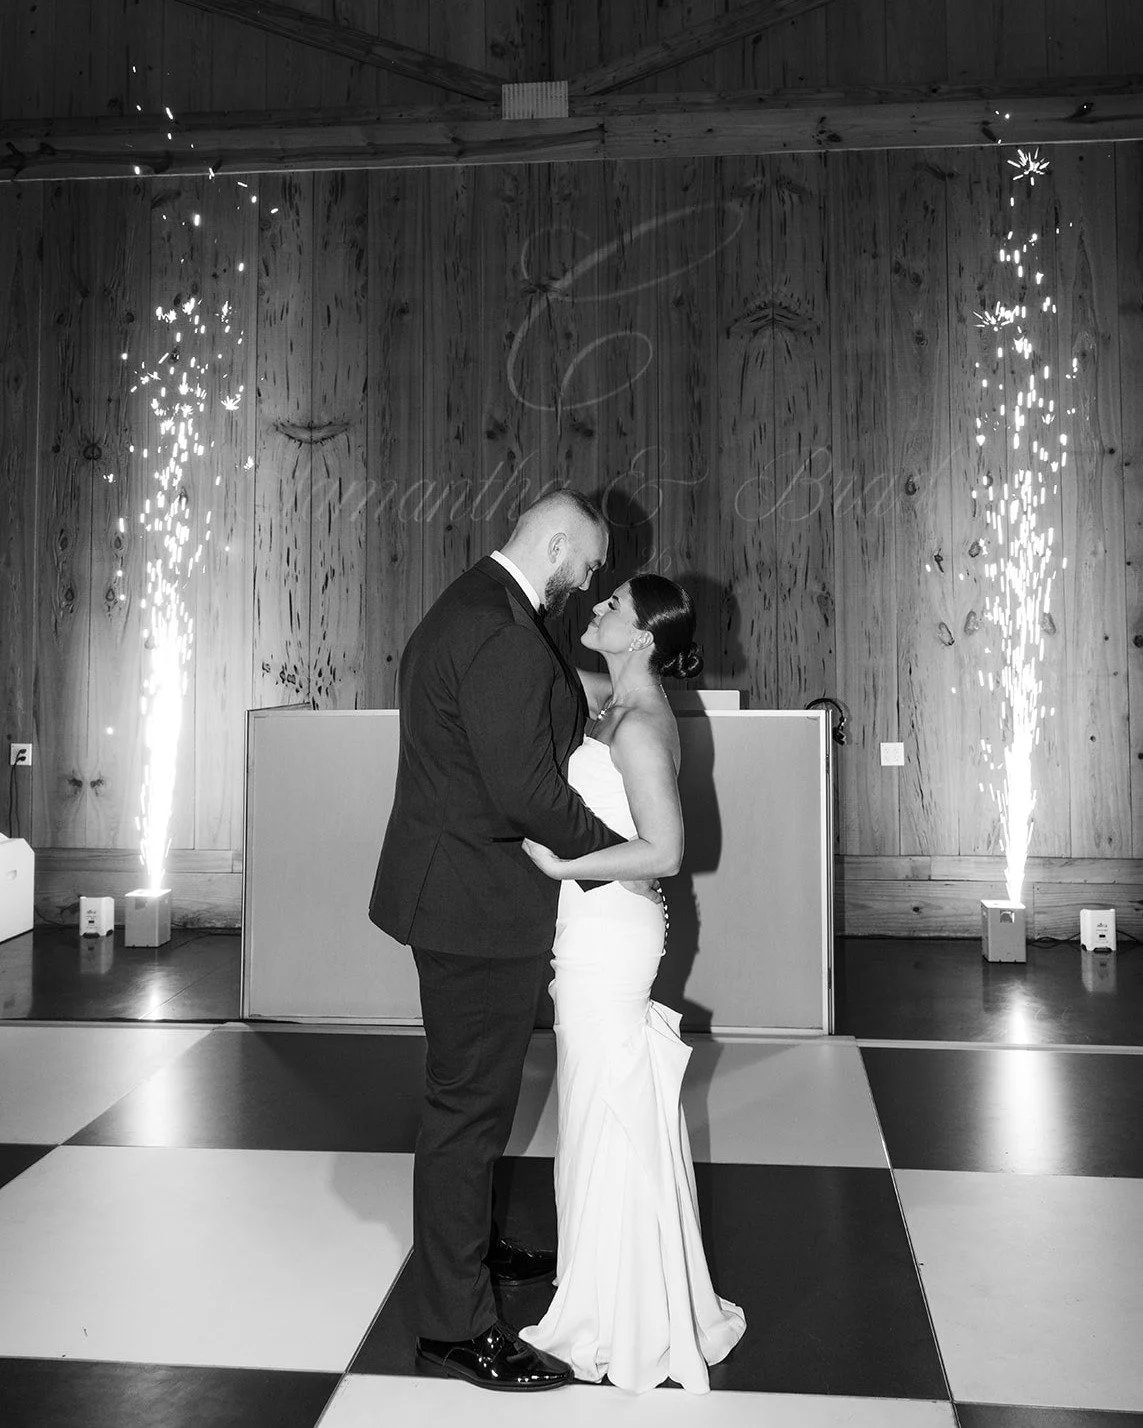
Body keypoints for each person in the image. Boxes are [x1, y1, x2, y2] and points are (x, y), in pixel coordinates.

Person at [368, 488, 625, 1392]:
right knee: (468, 1112)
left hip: (454, 889)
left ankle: (468, 1244)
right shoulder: (504, 631)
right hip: (474, 906)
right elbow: (527, 794)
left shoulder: (471, 603)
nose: (587, 580)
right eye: (588, 562)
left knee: (468, 1102)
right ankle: (453, 1327)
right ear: (556, 545)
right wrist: (621, 858)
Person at [518, 573, 746, 1393]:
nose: (598, 607)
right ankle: (610, 1291)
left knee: (605, 1109)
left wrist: (564, 866)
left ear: (644, 635)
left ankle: (623, 1315)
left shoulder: (642, 722)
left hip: (610, 932)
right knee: (594, 1110)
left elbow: (665, 850)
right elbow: (553, 678)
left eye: (613, 605)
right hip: (593, 927)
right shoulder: (611, 703)